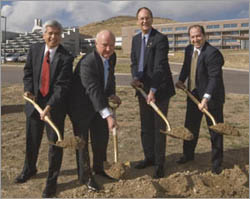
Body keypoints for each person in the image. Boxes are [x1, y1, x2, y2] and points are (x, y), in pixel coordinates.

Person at [14, 20, 74, 198]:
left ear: (60, 36)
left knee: (55, 145)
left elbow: (62, 86)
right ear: (44, 35)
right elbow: (28, 73)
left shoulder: (66, 57)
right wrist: (28, 90)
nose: (53, 37)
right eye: (50, 33)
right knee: (31, 141)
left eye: (57, 34)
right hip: (34, 106)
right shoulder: (35, 50)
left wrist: (49, 106)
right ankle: (29, 169)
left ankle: (51, 181)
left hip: (54, 108)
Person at [67, 30, 121, 191]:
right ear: (96, 44)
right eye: (104, 45)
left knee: (101, 139)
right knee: (82, 143)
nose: (108, 49)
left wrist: (112, 94)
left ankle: (99, 169)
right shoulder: (87, 62)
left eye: (111, 45)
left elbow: (109, 78)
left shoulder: (112, 57)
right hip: (80, 107)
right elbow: (93, 90)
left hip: (98, 105)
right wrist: (108, 116)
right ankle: (85, 176)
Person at [130, 7, 175, 179]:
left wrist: (153, 90)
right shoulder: (135, 40)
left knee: (159, 128)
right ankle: (149, 158)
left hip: (160, 91)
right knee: (146, 127)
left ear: (152, 19)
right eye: (141, 18)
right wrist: (136, 77)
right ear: (137, 20)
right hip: (142, 90)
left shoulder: (160, 39)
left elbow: (159, 67)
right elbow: (134, 62)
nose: (144, 21)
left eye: (147, 18)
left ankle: (159, 164)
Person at [175, 24, 225, 175]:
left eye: (198, 36)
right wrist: (181, 80)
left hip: (212, 99)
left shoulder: (212, 53)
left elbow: (214, 78)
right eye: (192, 36)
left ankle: (216, 163)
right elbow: (186, 66)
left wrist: (206, 98)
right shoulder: (189, 49)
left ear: (204, 36)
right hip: (193, 95)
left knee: (215, 130)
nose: (195, 39)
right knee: (190, 128)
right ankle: (188, 155)